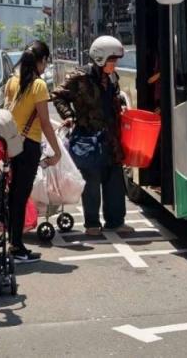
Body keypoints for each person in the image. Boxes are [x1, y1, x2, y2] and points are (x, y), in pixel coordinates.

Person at [52, 36, 134, 237]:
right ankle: (92, 223)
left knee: (114, 179)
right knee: (91, 181)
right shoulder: (80, 76)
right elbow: (58, 95)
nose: (114, 65)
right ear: (100, 59)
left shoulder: (112, 78)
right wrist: (69, 116)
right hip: (87, 137)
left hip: (111, 137)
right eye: (112, 61)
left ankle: (115, 221)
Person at [3, 41, 62, 263]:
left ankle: (12, 241)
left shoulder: (12, 81)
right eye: (46, 60)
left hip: (11, 144)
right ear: (41, 60)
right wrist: (57, 152)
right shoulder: (38, 86)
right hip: (28, 146)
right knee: (20, 195)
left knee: (12, 195)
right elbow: (45, 123)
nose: (46, 65)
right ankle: (17, 247)